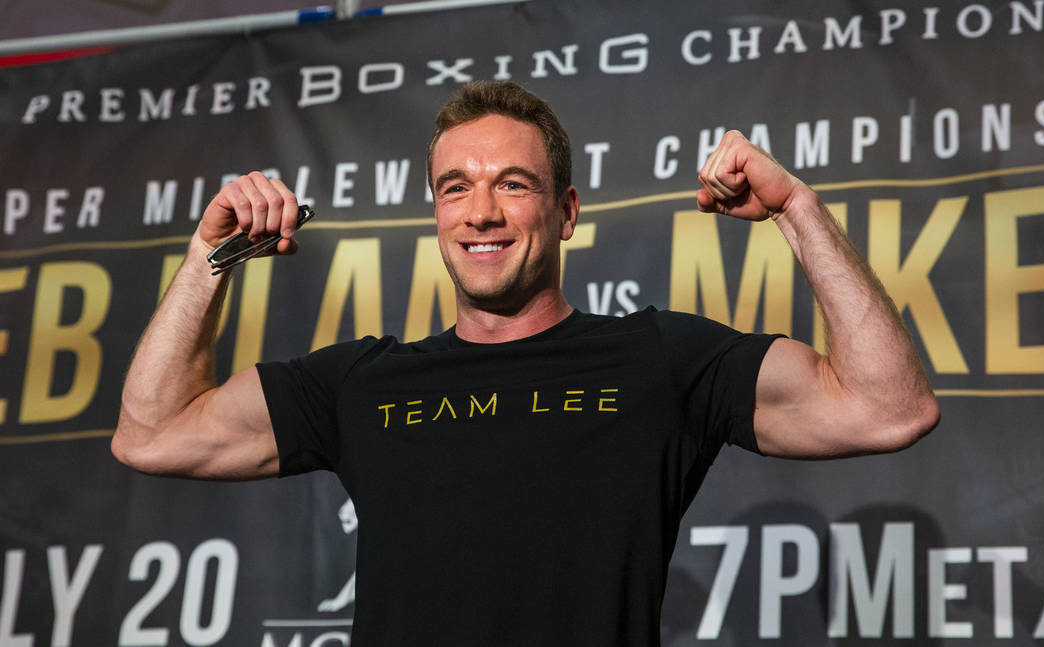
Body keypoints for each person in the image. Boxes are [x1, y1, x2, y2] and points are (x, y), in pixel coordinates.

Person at [112, 81, 939, 645]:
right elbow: (151, 432)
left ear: (567, 211)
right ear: (434, 212)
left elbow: (887, 406)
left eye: (513, 184)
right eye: (454, 188)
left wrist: (797, 210)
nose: (481, 211)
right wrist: (209, 257)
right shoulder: (365, 384)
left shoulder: (658, 361)